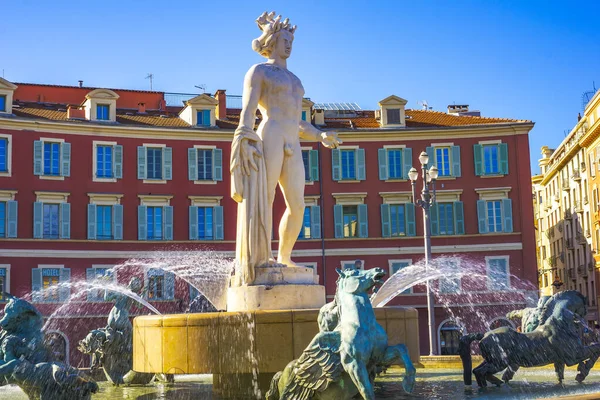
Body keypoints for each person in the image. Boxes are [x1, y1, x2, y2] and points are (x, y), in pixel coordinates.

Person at [231, 12, 341, 286]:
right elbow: (248, 109)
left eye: (291, 40)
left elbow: (297, 120)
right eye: (284, 39)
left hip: (293, 138)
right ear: (272, 41)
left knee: (298, 205)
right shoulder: (259, 71)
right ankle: (261, 256)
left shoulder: (294, 79)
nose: (289, 45)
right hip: (270, 134)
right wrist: (244, 137)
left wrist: (319, 134)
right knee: (263, 197)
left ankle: (284, 256)